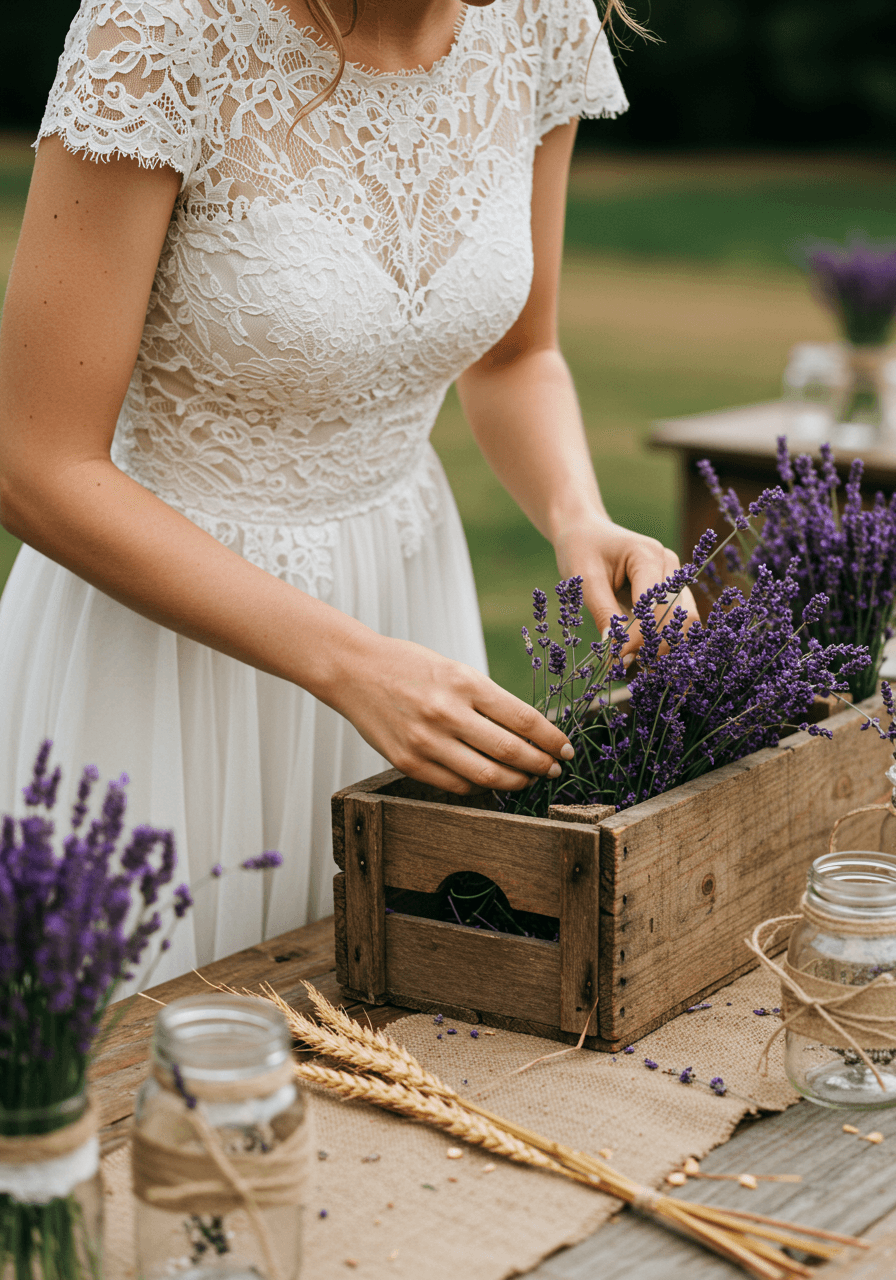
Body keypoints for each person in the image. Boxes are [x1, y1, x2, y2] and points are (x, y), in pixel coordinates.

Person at [0, 0, 697, 981]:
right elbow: (35, 463)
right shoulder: (155, 31)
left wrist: (575, 512)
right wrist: (347, 663)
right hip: (159, 644)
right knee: (149, 1076)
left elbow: (515, 355)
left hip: (404, 603)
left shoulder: (540, 20)